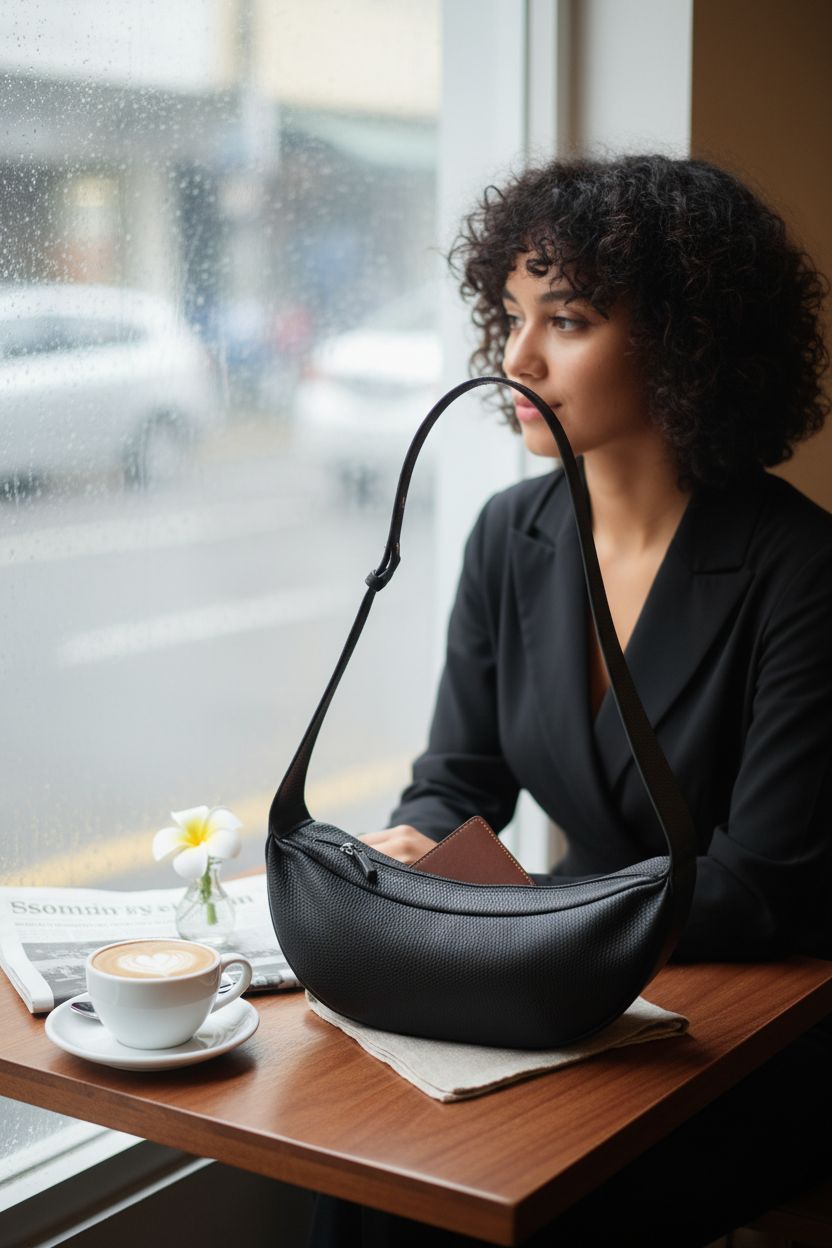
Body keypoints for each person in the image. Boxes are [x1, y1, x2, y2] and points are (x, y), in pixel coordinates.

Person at [308, 154, 832, 1247]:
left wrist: (505, 929)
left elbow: (757, 887)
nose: (517, 358)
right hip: (570, 987)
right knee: (365, 1177)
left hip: (747, 1026)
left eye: (570, 318)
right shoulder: (512, 535)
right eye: (508, 315)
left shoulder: (798, 568)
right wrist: (407, 851)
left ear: (689, 343)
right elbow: (460, 779)